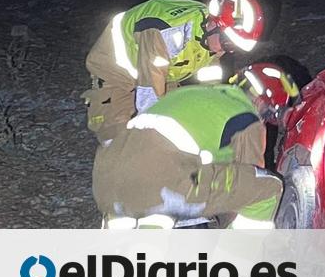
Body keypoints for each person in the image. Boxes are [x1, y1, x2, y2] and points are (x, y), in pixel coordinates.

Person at [93, 63, 299, 229]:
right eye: (270, 114)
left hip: (106, 181)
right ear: (264, 102)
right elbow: (246, 179)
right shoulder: (246, 116)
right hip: (162, 182)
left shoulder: (192, 95)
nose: (265, 121)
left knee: (162, 204)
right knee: (267, 187)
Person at [83, 0, 265, 145]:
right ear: (212, 24)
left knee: (181, 126)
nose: (223, 50)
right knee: (119, 141)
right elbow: (149, 97)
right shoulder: (168, 33)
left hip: (163, 75)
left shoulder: (212, 41)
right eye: (226, 42)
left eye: (232, 47)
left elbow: (210, 88)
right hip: (116, 73)